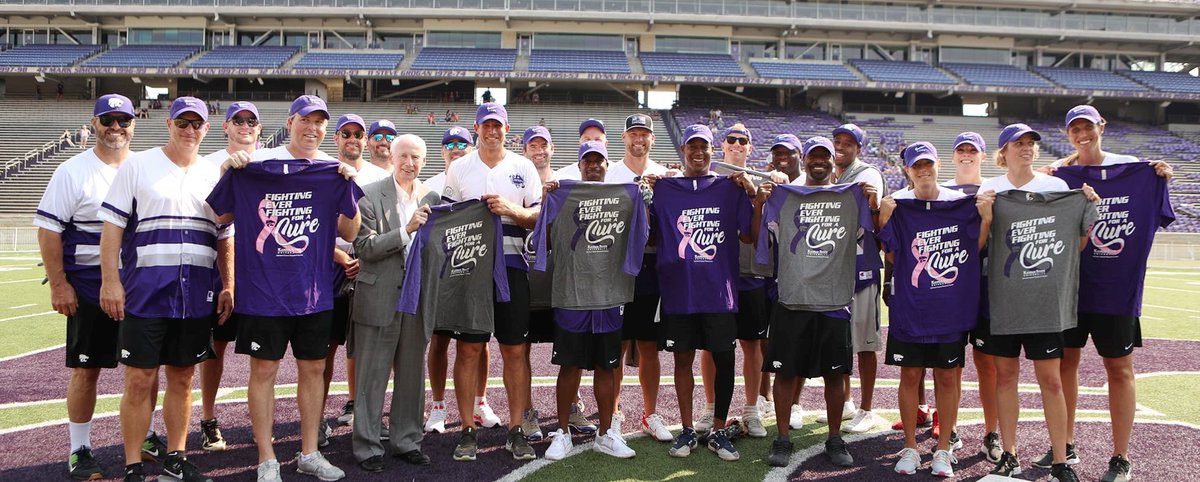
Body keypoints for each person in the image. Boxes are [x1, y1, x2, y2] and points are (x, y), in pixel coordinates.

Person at [1044, 105, 1174, 482]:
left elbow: (1159, 213)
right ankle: (1064, 444)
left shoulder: (1138, 172)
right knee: (1065, 364)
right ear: (1069, 134)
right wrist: (1055, 178)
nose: (1082, 134)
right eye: (1075, 129)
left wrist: (1157, 177)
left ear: (1102, 127)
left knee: (1119, 368)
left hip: (1117, 290)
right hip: (1070, 289)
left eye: (1088, 127)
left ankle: (1121, 456)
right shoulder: (1061, 177)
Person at [98, 97, 224, 482]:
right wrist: (110, 281)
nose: (189, 130)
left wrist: (229, 284)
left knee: (183, 378)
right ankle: (133, 463)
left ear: (206, 128)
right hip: (146, 293)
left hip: (194, 293)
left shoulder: (215, 173)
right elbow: (113, 228)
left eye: (196, 124)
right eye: (182, 123)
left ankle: (176, 456)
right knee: (139, 378)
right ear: (168, 124)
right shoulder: (139, 165)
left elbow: (226, 234)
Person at [233, 95, 351, 482]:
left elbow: (350, 231)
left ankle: (310, 452)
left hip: (313, 292)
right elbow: (219, 214)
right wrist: (228, 169)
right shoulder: (259, 164)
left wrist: (349, 186)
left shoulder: (331, 170)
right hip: (262, 292)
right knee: (263, 370)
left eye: (320, 122)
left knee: (314, 369)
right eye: (306, 120)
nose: (312, 128)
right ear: (290, 122)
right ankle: (266, 458)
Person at [977, 123, 1098, 482]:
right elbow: (979, 249)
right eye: (1019, 144)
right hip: (1003, 300)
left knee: (1052, 380)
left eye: (1031, 143)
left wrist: (1086, 211)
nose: (1027, 148)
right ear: (1004, 151)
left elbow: (1075, 247)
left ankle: (1061, 459)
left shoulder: (1057, 189)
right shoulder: (991, 190)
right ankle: (1010, 454)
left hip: (1044, 301)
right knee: (1005, 377)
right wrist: (985, 218)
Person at [36, 94, 143, 481]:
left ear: (135, 123)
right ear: (94, 123)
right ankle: (79, 448)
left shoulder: (145, 167)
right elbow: (49, 230)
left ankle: (144, 436)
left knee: (144, 368)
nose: (116, 127)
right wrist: (59, 285)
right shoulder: (72, 170)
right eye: (108, 120)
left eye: (123, 120)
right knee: (87, 369)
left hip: (140, 283)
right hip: (89, 284)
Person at [756, 136, 878, 469]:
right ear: (805, 160)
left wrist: (874, 205)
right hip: (792, 298)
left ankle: (834, 438)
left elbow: (871, 240)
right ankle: (782, 438)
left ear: (833, 162)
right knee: (785, 373)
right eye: (814, 157)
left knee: (834, 376)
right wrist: (760, 202)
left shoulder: (851, 198)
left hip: (834, 300)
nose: (819, 161)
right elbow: (760, 240)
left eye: (825, 156)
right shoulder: (785, 197)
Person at [877, 142, 991, 477]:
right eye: (916, 166)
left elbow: (976, 247)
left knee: (946, 377)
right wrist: (884, 218)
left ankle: (943, 449)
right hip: (911, 308)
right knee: (909, 374)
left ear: (938, 165)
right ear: (908, 170)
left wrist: (984, 219)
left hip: (950, 309)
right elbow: (893, 255)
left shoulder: (960, 204)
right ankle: (910, 446)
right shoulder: (899, 205)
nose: (923, 170)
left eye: (928, 164)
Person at [440, 102, 542, 462]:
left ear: (507, 128)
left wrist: (511, 210)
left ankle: (516, 428)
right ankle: (467, 429)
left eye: (498, 125)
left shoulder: (523, 166)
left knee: (514, 351)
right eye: (486, 125)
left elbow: (538, 215)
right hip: (470, 270)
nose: (492, 131)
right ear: (477, 127)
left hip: (513, 268)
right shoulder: (460, 168)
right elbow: (447, 218)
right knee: (468, 349)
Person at [648, 124, 756, 462]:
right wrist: (650, 193)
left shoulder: (730, 188)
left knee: (724, 359)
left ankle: (720, 430)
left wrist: (755, 196)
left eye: (704, 147)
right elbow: (651, 237)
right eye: (692, 147)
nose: (698, 153)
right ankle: (686, 428)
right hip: (679, 292)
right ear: (683, 150)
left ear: (713, 151)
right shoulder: (665, 190)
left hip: (719, 293)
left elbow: (749, 236)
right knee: (682, 359)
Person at [537, 141, 647, 461]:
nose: (594, 166)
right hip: (572, 294)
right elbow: (544, 234)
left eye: (599, 161)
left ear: (607, 165)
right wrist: (548, 198)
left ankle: (605, 433)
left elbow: (643, 232)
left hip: (610, 294)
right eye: (588, 161)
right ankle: (562, 432)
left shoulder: (625, 194)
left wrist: (645, 193)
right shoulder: (563, 193)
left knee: (607, 365)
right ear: (580, 165)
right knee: (569, 364)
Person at [350, 134, 440, 472]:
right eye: (404, 156)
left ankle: (407, 440)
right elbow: (366, 246)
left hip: (416, 299)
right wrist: (406, 230)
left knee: (412, 377)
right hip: (379, 296)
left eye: (416, 158)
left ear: (424, 162)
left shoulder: (433, 197)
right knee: (372, 376)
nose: (409, 163)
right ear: (391, 157)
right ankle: (367, 446)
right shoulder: (369, 195)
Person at [694, 125, 784, 439]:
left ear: (750, 147)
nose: (736, 144)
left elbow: (775, 212)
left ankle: (751, 408)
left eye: (742, 140)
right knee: (710, 345)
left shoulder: (764, 180)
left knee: (752, 344)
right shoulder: (709, 179)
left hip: (751, 275)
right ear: (722, 146)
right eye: (731, 140)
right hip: (716, 274)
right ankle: (710, 406)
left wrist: (753, 187)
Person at [422, 126, 502, 436]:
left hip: (476, 267)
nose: (455, 147)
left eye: (461, 143)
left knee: (478, 341)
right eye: (449, 143)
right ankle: (439, 405)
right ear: (441, 150)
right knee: (440, 339)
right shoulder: (430, 186)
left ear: (471, 146)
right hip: (445, 270)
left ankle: (479, 402)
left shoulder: (479, 177)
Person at [196, 101, 263, 452]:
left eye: (251, 121)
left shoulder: (271, 161)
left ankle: (259, 422)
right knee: (215, 348)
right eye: (238, 120)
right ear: (225, 126)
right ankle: (208, 417)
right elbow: (213, 216)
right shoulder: (207, 164)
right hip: (220, 269)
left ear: (260, 128)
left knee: (263, 352)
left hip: (262, 272)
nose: (245, 126)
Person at [607, 114, 673, 443]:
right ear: (624, 137)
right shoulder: (610, 174)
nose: (639, 139)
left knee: (649, 344)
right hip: (617, 266)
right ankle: (614, 412)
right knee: (616, 344)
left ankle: (650, 412)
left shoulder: (664, 175)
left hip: (650, 265)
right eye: (634, 132)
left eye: (645, 134)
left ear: (652, 139)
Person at [326, 114, 392, 439]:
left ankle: (363, 406)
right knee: (324, 345)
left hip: (371, 262)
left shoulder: (382, 176)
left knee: (367, 344)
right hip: (328, 263)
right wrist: (339, 256)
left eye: (358, 134)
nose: (352, 139)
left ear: (366, 140)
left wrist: (368, 257)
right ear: (336, 138)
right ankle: (318, 418)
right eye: (346, 133)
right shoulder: (323, 171)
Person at [827, 123, 888, 434]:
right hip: (837, 268)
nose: (841, 147)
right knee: (841, 340)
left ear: (859, 148)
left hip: (862, 267)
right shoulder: (836, 175)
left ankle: (866, 408)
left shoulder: (866, 173)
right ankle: (848, 400)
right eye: (837, 141)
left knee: (864, 343)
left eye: (848, 143)